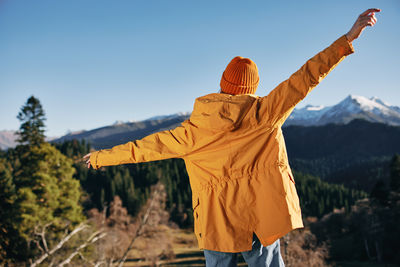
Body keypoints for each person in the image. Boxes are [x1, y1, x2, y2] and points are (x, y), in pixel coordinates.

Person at [83, 8, 380, 267]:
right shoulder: (266, 112)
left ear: (223, 85)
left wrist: (99, 158)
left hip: (217, 221)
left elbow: (144, 148)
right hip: (259, 217)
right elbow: (306, 77)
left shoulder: (192, 131)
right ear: (252, 88)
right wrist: (349, 37)